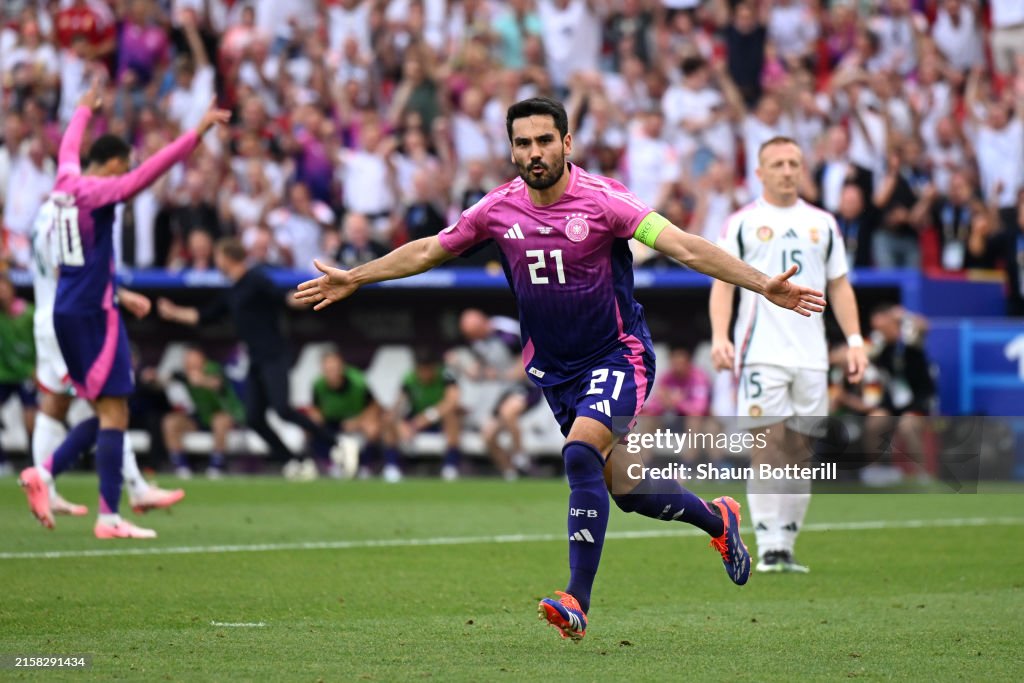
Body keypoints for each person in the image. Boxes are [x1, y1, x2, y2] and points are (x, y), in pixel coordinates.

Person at [295, 97, 826, 639]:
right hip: (556, 371)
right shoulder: (497, 208)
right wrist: (356, 276)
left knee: (579, 452)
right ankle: (718, 519)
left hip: (618, 354)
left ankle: (577, 600)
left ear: (567, 143)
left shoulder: (604, 201)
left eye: (545, 140)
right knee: (627, 489)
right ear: (511, 150)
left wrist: (762, 284)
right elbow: (431, 250)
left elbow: (684, 247)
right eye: (523, 143)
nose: (535, 152)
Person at [17, 80, 226, 538]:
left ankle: (53, 477)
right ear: (113, 164)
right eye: (123, 165)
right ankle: (100, 509)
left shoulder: (64, 182)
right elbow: (147, 175)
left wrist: (82, 111)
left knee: (107, 412)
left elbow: (69, 147)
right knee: (112, 413)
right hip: (94, 315)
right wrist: (195, 134)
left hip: (67, 309)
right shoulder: (98, 193)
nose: (126, 171)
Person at [709, 136, 868, 574]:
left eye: (794, 163)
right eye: (777, 164)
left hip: (812, 356)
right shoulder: (742, 222)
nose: (786, 170)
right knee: (767, 448)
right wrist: (720, 335)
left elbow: (839, 284)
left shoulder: (824, 223)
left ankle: (786, 546)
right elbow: (722, 282)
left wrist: (855, 340)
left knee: (799, 452)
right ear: (759, 173)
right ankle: (769, 544)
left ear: (802, 170)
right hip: (760, 352)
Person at [26, 197, 185, 516]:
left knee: (55, 404)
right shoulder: (70, 216)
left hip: (45, 316)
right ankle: (51, 479)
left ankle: (49, 491)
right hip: (67, 319)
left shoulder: (42, 213)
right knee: (110, 407)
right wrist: (119, 294)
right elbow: (67, 272)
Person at [157, 237, 353, 480]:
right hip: (256, 360)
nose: (216, 262)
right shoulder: (232, 291)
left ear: (227, 257)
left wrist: (312, 294)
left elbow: (283, 299)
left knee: (282, 409)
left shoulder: (256, 279)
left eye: (218, 257)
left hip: (274, 354)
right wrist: (174, 313)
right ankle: (294, 461)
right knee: (254, 418)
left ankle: (337, 444)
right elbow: (204, 316)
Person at [454, 308, 542, 481]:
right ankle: (511, 474)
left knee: (508, 412)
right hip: (506, 391)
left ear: (482, 323)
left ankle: (520, 455)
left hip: (529, 384)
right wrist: (460, 365)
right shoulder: (477, 343)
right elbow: (478, 374)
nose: (474, 338)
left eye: (474, 333)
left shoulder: (506, 332)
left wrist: (500, 375)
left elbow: (526, 362)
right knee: (488, 435)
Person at [380, 347, 463, 483]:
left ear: (435, 367)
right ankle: (392, 467)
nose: (424, 374)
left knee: (452, 416)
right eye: (421, 370)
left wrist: (427, 417)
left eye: (428, 369)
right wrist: (400, 424)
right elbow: (397, 406)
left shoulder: (446, 375)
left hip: (439, 422)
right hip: (415, 421)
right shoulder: (409, 378)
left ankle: (450, 467)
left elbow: (452, 401)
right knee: (388, 419)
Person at [162, 345, 244, 479]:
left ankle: (216, 467)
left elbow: (217, 383)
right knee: (170, 421)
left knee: (220, 420)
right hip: (199, 418)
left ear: (202, 361)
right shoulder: (183, 374)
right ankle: (181, 467)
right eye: (187, 362)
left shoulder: (213, 368)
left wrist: (202, 380)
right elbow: (164, 380)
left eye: (193, 362)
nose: (190, 365)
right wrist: (152, 377)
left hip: (223, 416)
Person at [309, 348, 382, 479]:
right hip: (332, 422)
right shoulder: (318, 384)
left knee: (372, 428)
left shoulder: (357, 382)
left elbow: (374, 406)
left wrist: (358, 421)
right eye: (328, 368)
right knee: (310, 425)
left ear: (342, 367)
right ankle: (328, 464)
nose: (332, 372)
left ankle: (365, 466)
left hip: (356, 421)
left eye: (334, 367)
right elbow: (315, 407)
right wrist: (316, 416)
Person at [0, 271, 36, 478]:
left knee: (31, 419)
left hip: (26, 373)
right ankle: (2, 462)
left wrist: (37, 368)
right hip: (3, 374)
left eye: (3, 286)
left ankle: (34, 462)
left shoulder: (28, 313)